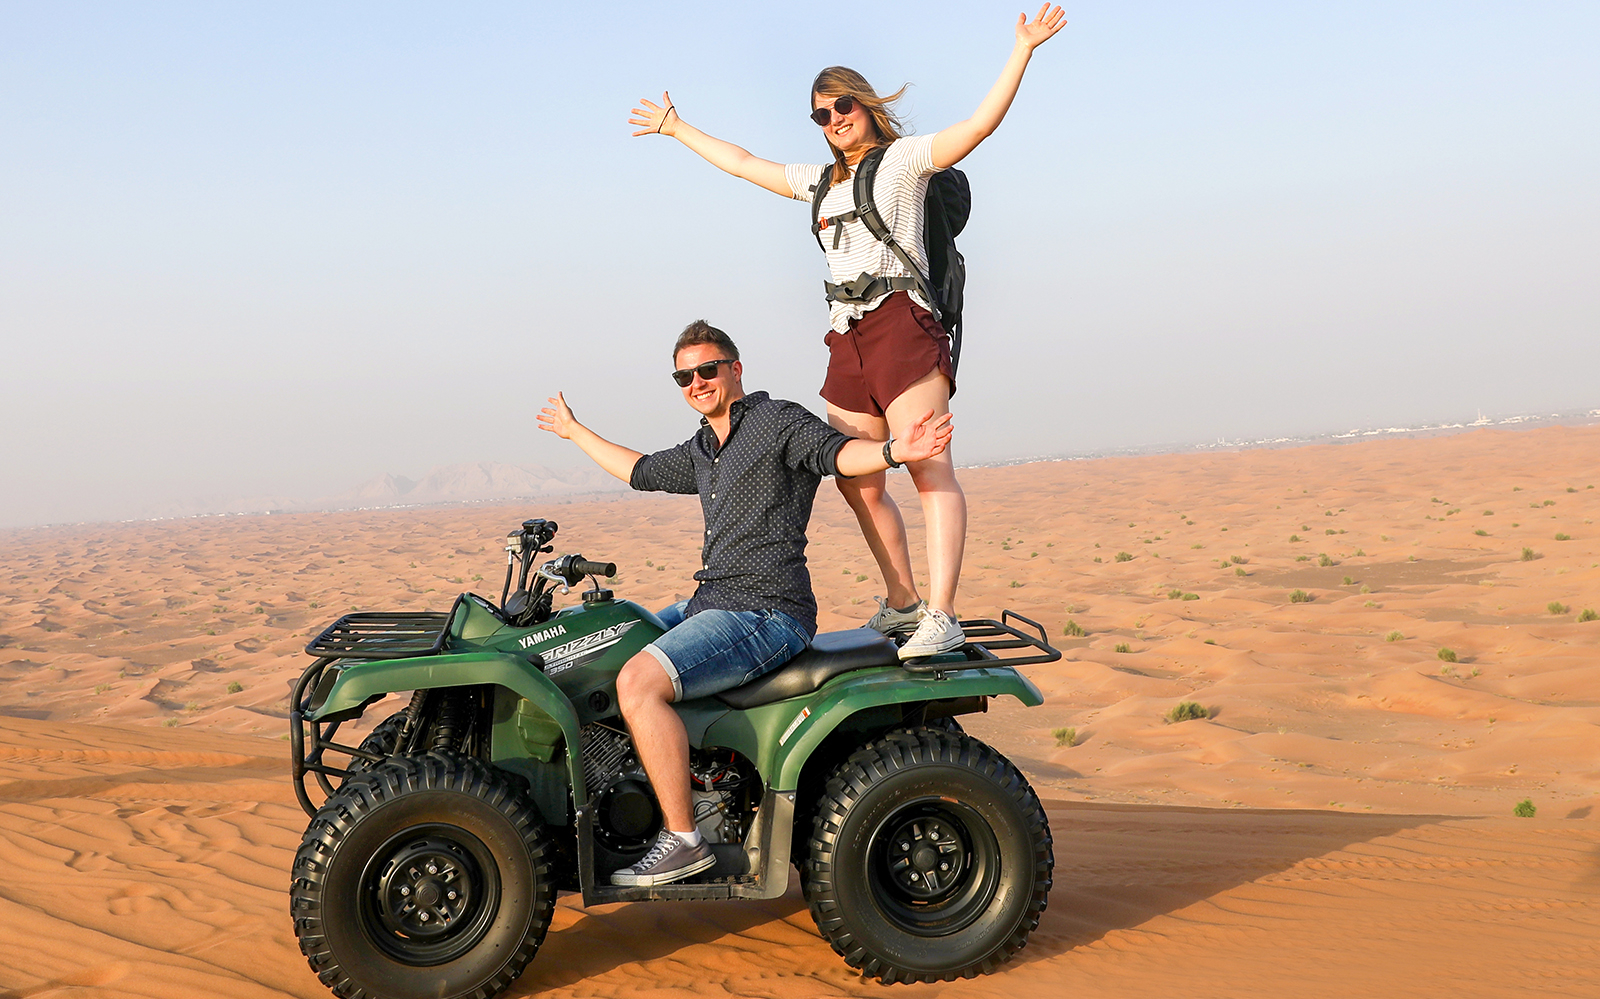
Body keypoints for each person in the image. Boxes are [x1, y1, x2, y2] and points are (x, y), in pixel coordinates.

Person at [626, 7, 1067, 659]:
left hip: (902, 326)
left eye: (841, 107)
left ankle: (941, 614)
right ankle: (903, 602)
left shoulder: (905, 161)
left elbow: (977, 125)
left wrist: (1022, 52)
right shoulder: (819, 184)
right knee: (858, 479)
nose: (833, 121)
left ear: (864, 105)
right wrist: (676, 127)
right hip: (846, 340)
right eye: (820, 115)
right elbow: (746, 164)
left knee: (928, 464)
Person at [537, 320, 952, 888]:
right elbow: (639, 471)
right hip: (713, 601)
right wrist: (575, 431)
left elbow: (838, 455)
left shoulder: (777, 422)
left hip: (766, 611)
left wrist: (894, 450)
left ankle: (683, 841)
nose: (696, 383)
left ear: (735, 369)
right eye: (684, 376)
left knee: (638, 683)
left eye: (707, 369)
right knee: (613, 640)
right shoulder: (705, 446)